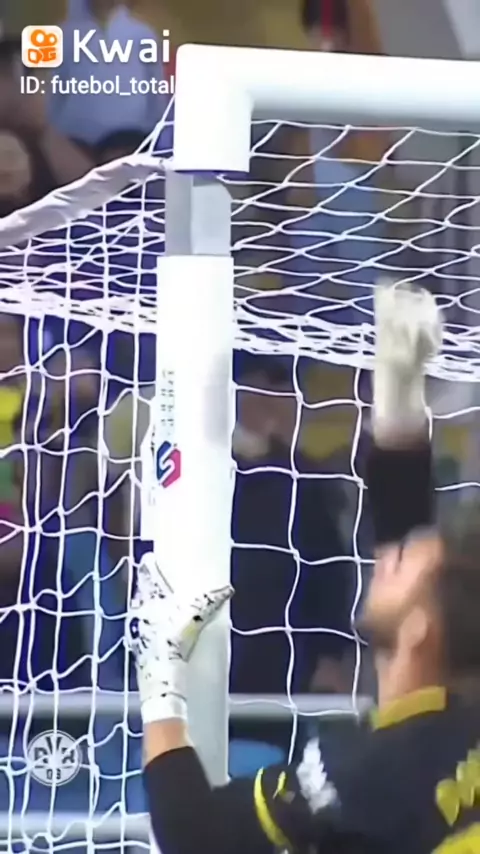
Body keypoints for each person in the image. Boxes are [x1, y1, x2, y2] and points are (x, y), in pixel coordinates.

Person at [129, 283, 480, 854]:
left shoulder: (363, 771)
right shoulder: (445, 728)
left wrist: (159, 681)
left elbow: (196, 837)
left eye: (400, 565)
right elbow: (407, 530)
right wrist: (400, 403)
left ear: (419, 632)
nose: (386, 555)